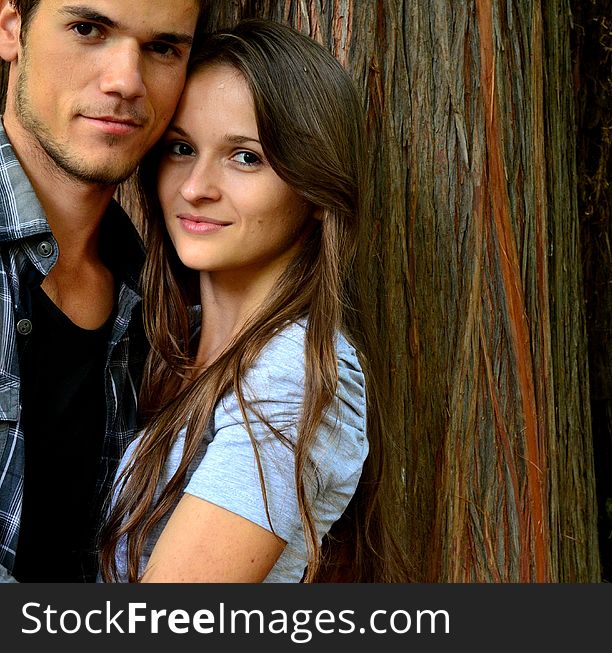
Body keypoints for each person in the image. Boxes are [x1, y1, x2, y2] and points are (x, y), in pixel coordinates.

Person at [99, 19, 405, 583]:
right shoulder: (166, 342)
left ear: (315, 190)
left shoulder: (293, 373)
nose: (196, 186)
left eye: (246, 158)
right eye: (182, 148)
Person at [0, 0, 211, 582]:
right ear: (11, 28)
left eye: (163, 48)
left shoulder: (162, 301)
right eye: (88, 29)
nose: (125, 82)